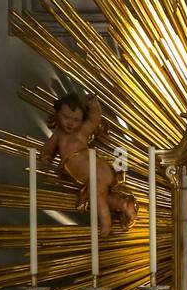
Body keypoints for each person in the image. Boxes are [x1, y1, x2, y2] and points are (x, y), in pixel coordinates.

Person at [39, 92, 137, 233]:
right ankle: (124, 205)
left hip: (98, 170)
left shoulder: (81, 132)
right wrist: (45, 155)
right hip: (90, 176)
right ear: (57, 113)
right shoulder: (58, 136)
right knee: (100, 197)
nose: (70, 123)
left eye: (76, 120)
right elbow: (48, 147)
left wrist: (94, 106)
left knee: (96, 195)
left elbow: (94, 119)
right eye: (66, 117)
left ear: (82, 120)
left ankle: (106, 225)